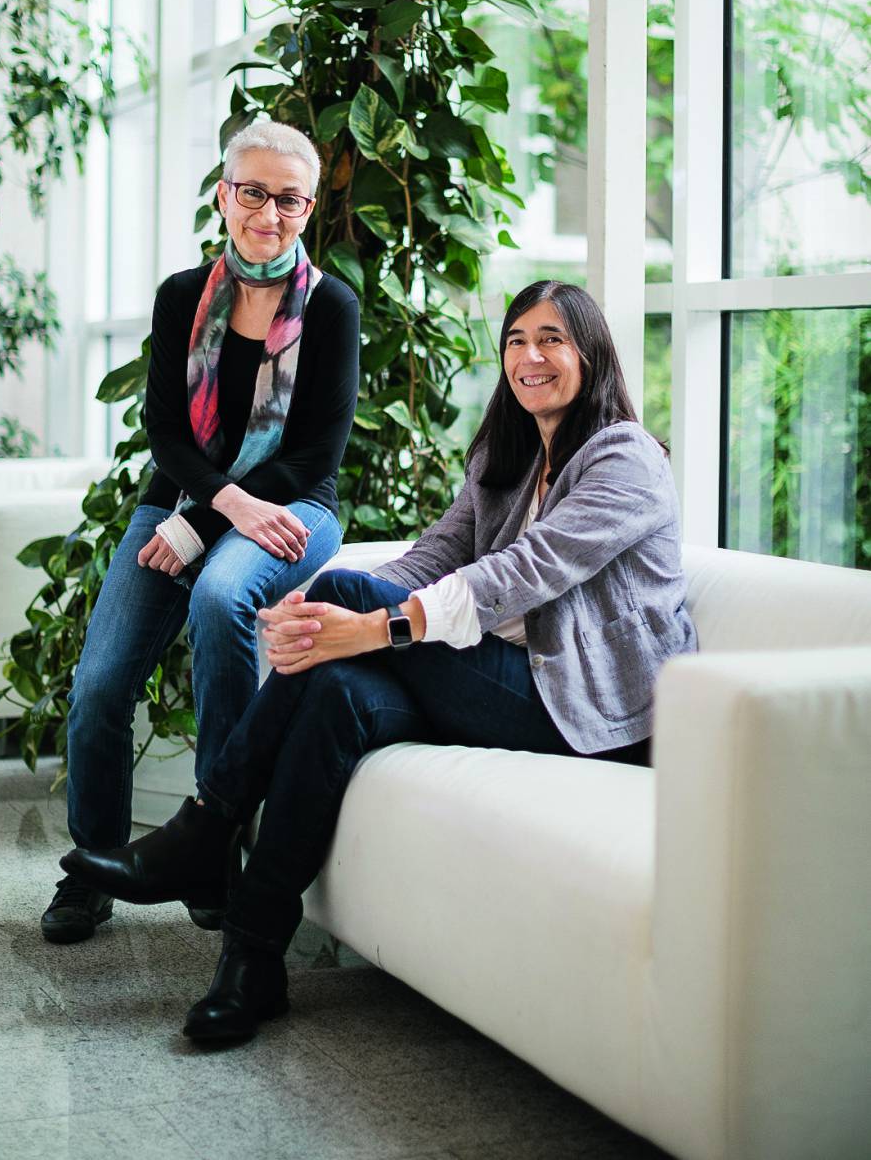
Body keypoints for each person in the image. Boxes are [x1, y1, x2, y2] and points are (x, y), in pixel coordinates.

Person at [62, 280, 697, 1042]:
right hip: (499, 676)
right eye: (517, 339)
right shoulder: (508, 454)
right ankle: (251, 959)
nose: (531, 355)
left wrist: (371, 624)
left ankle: (207, 825)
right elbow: (433, 555)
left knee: (343, 601)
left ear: (591, 354)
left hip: (589, 713)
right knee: (336, 686)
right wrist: (323, 618)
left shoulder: (626, 458)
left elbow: (524, 571)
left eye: (552, 339)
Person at [42, 121, 360, 944]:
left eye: (288, 198)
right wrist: (208, 508)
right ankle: (93, 867)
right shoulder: (183, 295)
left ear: (308, 207)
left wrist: (215, 520)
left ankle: (210, 850)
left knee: (222, 597)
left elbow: (316, 453)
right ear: (224, 195)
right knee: (100, 685)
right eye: (252, 192)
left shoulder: (331, 305)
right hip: (180, 500)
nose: (268, 213)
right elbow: (166, 431)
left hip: (296, 506)